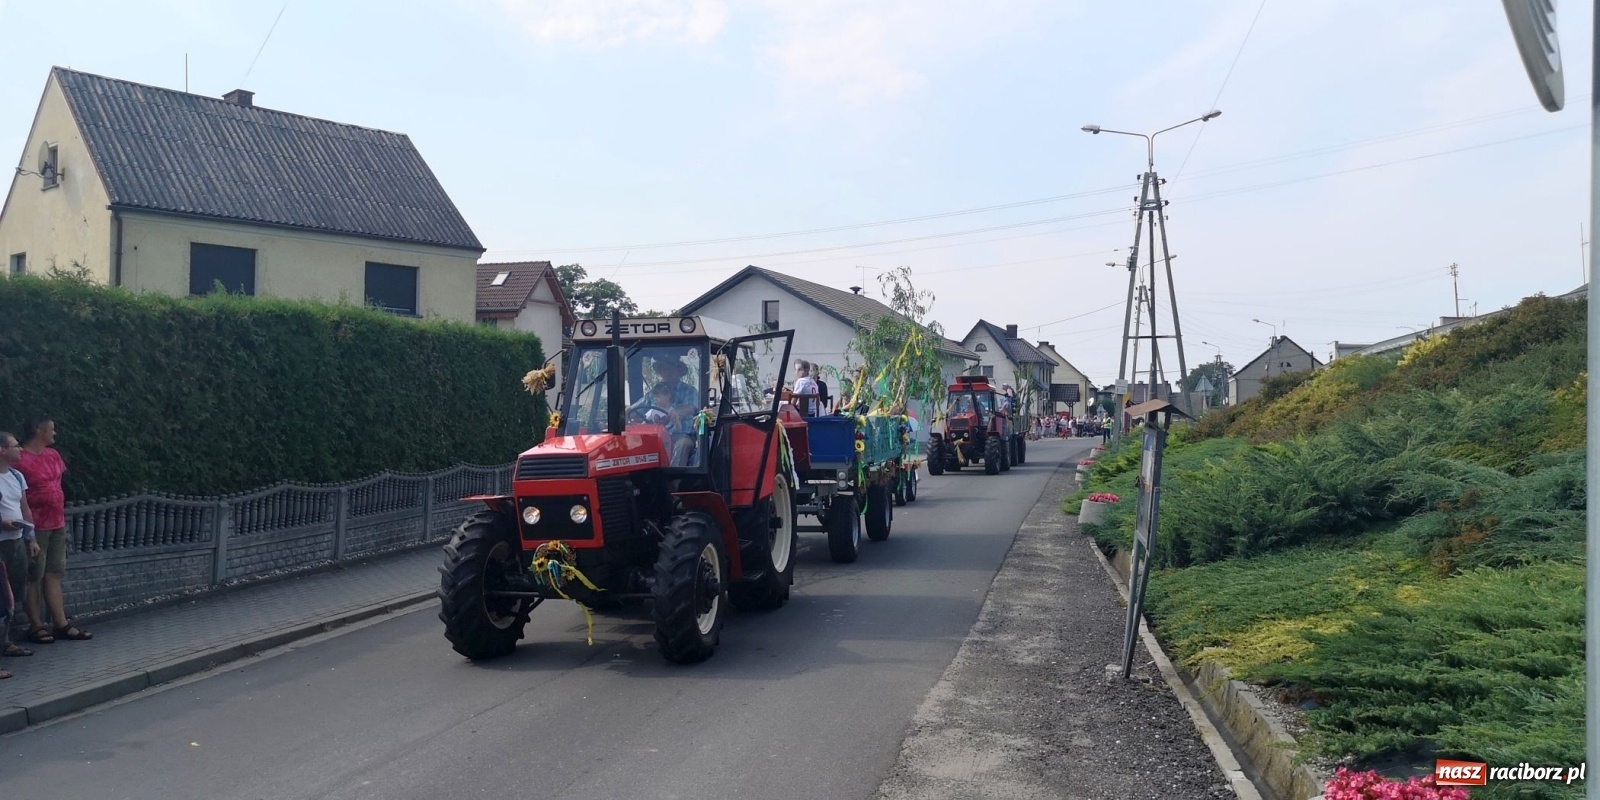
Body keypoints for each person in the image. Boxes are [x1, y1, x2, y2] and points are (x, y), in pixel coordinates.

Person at [16, 418, 87, 643]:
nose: (54, 432)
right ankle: (36, 626)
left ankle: (61, 624)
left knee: (54, 572)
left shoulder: (53, 455)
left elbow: (57, 484)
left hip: (57, 522)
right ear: (39, 430)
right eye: (52, 429)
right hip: (35, 525)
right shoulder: (20, 460)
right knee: (34, 575)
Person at [0, 432, 39, 659]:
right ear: (2, 450)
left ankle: (5, 641)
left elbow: (25, 508)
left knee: (14, 592)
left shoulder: (16, 476)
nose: (20, 449)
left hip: (16, 541)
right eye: (15, 446)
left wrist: (31, 538)